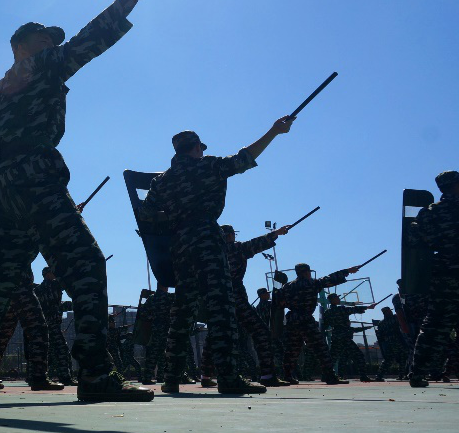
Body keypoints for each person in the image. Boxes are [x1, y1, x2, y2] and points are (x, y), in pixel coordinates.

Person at [0, 0, 165, 401]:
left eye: (51, 39)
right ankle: (95, 374)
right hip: (36, 180)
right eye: (42, 37)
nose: (50, 42)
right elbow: (87, 42)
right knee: (87, 264)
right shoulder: (38, 67)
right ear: (19, 47)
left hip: (6, 193)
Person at [141, 117, 295, 395]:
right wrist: (274, 131)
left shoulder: (160, 182)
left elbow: (147, 214)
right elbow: (244, 158)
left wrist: (175, 217)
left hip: (180, 245)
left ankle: (171, 377)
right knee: (221, 308)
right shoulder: (208, 166)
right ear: (196, 148)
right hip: (206, 240)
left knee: (183, 311)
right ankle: (228, 376)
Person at [200, 224, 291, 387]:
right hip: (235, 296)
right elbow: (255, 244)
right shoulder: (236, 249)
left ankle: (205, 376)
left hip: (213, 298)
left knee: (214, 334)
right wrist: (276, 233)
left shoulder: (209, 252)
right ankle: (267, 375)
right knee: (260, 331)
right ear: (230, 236)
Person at [408, 170, 459, 387]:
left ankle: (417, 373)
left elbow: (415, 239)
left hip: (444, 274)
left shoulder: (430, 212)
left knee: (435, 326)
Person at [278, 262, 359, 384]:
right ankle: (329, 375)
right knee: (320, 348)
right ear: (306, 272)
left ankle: (287, 375)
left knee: (292, 349)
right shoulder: (311, 283)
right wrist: (347, 271)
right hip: (305, 319)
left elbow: (280, 302)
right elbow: (329, 279)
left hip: (292, 320)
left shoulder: (287, 286)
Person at [0, 270, 62, 390]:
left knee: (2, 336)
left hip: (1, 289)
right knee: (39, 331)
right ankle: (39, 377)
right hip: (20, 287)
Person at [322, 293, 376, 381]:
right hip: (345, 336)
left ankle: (326, 376)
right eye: (337, 298)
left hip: (335, 336)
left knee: (332, 358)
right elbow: (354, 309)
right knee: (359, 355)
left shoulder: (327, 312)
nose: (338, 299)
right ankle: (363, 376)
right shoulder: (341, 309)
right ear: (333, 300)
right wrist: (368, 307)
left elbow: (324, 325)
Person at [35, 267, 75, 385]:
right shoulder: (54, 285)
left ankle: (39, 376)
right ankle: (65, 377)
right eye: (52, 273)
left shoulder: (38, 289)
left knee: (49, 352)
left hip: (45, 324)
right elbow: (67, 283)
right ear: (47, 274)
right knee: (62, 350)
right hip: (52, 324)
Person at [375, 307, 409, 381]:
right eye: (389, 311)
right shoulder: (395, 318)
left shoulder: (381, 323)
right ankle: (402, 375)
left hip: (388, 344)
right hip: (398, 341)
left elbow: (379, 336)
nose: (390, 312)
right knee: (403, 356)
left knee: (388, 359)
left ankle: (379, 376)